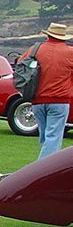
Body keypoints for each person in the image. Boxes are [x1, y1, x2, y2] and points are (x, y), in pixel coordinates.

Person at [20, 22, 73, 160]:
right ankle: (43, 169)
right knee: (53, 138)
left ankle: (44, 166)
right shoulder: (70, 52)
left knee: (45, 138)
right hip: (60, 100)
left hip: (37, 100)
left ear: (48, 35)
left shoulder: (35, 50)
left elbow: (21, 67)